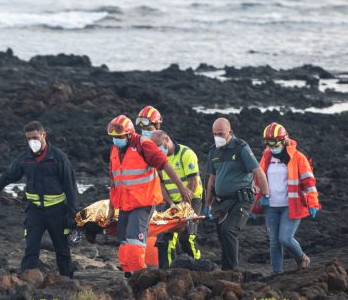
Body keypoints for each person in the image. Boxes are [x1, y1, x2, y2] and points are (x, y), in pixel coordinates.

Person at [0, 121, 77, 278]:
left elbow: (71, 186)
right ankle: (27, 283)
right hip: (35, 212)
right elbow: (8, 176)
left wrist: (73, 215)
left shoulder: (58, 158)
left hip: (57, 211)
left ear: (43, 135)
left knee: (62, 250)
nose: (32, 141)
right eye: (28, 138)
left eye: (35, 137)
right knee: (31, 249)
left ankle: (67, 281)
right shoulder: (25, 159)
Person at [106, 115, 192, 276]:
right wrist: (111, 208)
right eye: (114, 138)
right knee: (124, 241)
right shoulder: (115, 151)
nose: (116, 140)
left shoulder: (143, 145)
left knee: (133, 240)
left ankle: (140, 276)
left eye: (119, 137)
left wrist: (181, 188)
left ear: (129, 134)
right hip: (125, 204)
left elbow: (164, 163)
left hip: (143, 203)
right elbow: (113, 181)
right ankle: (130, 274)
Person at [252, 122, 320, 274]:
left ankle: (302, 258)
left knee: (285, 239)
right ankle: (277, 273)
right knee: (274, 242)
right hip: (271, 207)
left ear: (283, 140)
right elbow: (258, 180)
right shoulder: (266, 157)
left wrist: (313, 202)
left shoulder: (298, 158)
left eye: (272, 142)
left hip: (291, 206)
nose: (269, 146)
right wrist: (254, 204)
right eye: (267, 142)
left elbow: (309, 181)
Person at [204, 117, 270, 270]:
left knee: (229, 230)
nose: (217, 137)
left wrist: (265, 195)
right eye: (215, 134)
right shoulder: (213, 151)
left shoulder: (241, 148)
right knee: (221, 233)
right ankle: (226, 270)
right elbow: (211, 179)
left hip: (242, 199)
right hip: (222, 202)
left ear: (230, 132)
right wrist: (207, 204)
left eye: (221, 134)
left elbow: (258, 172)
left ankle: (232, 270)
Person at [150, 130, 204, 268]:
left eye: (158, 146)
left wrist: (184, 206)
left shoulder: (186, 154)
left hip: (192, 199)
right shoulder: (158, 159)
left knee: (186, 237)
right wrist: (171, 203)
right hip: (171, 201)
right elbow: (161, 184)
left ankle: (197, 266)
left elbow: (193, 182)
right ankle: (165, 272)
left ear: (167, 140)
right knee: (164, 239)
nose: (157, 150)